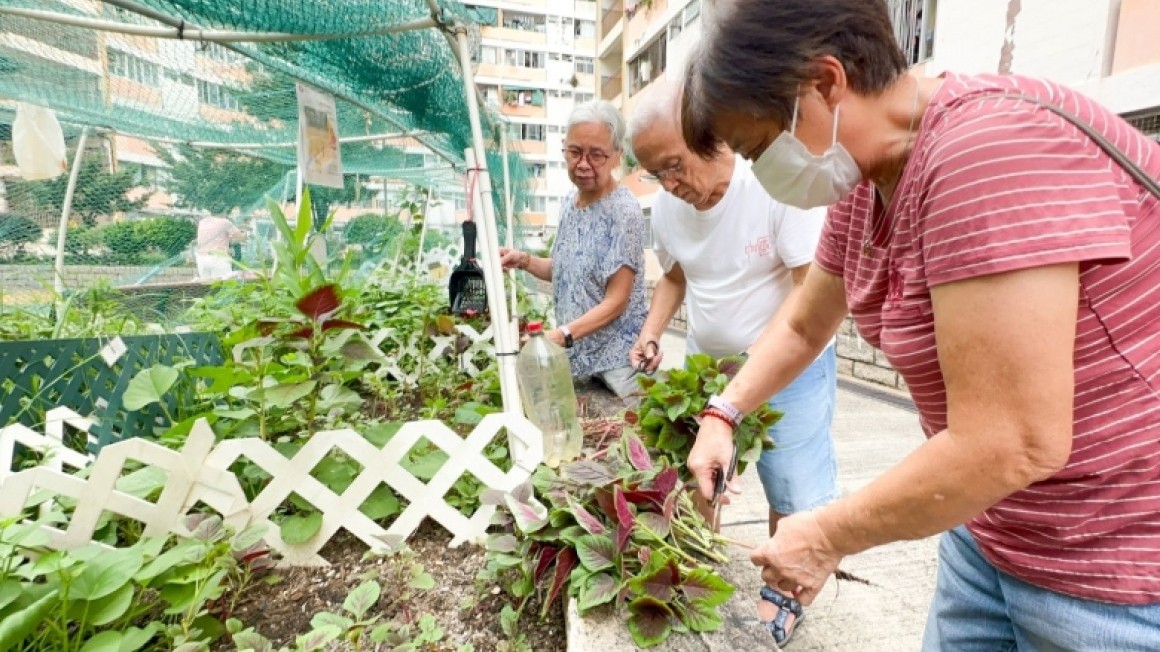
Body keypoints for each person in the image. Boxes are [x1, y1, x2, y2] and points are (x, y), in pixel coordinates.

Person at [679, 1, 1160, 650]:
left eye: (761, 147)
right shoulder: (867, 173)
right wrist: (723, 413)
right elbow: (803, 325)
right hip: (991, 527)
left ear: (826, 82)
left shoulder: (984, 154)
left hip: (1107, 560)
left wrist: (825, 537)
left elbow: (1013, 441)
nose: (766, 174)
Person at [627, 82, 838, 646]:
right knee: (706, 479)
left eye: (674, 165)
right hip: (706, 369)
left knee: (793, 493)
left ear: (710, 134)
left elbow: (807, 291)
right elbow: (673, 276)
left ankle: (787, 590)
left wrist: (751, 370)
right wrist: (651, 333)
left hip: (787, 368)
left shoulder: (775, 187)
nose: (670, 185)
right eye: (656, 175)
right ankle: (700, 575)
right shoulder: (670, 209)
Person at [500, 100, 648, 399]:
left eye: (596, 155)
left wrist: (562, 335)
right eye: (575, 152)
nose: (583, 163)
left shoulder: (624, 211)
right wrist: (525, 260)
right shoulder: (570, 203)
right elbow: (565, 270)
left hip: (619, 367)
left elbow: (617, 300)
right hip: (579, 360)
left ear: (617, 156)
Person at [195, 215, 246, 280]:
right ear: (225, 211)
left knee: (207, 286)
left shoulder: (202, 222)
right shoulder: (225, 222)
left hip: (201, 258)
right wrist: (244, 233)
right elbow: (240, 237)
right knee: (224, 285)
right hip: (218, 258)